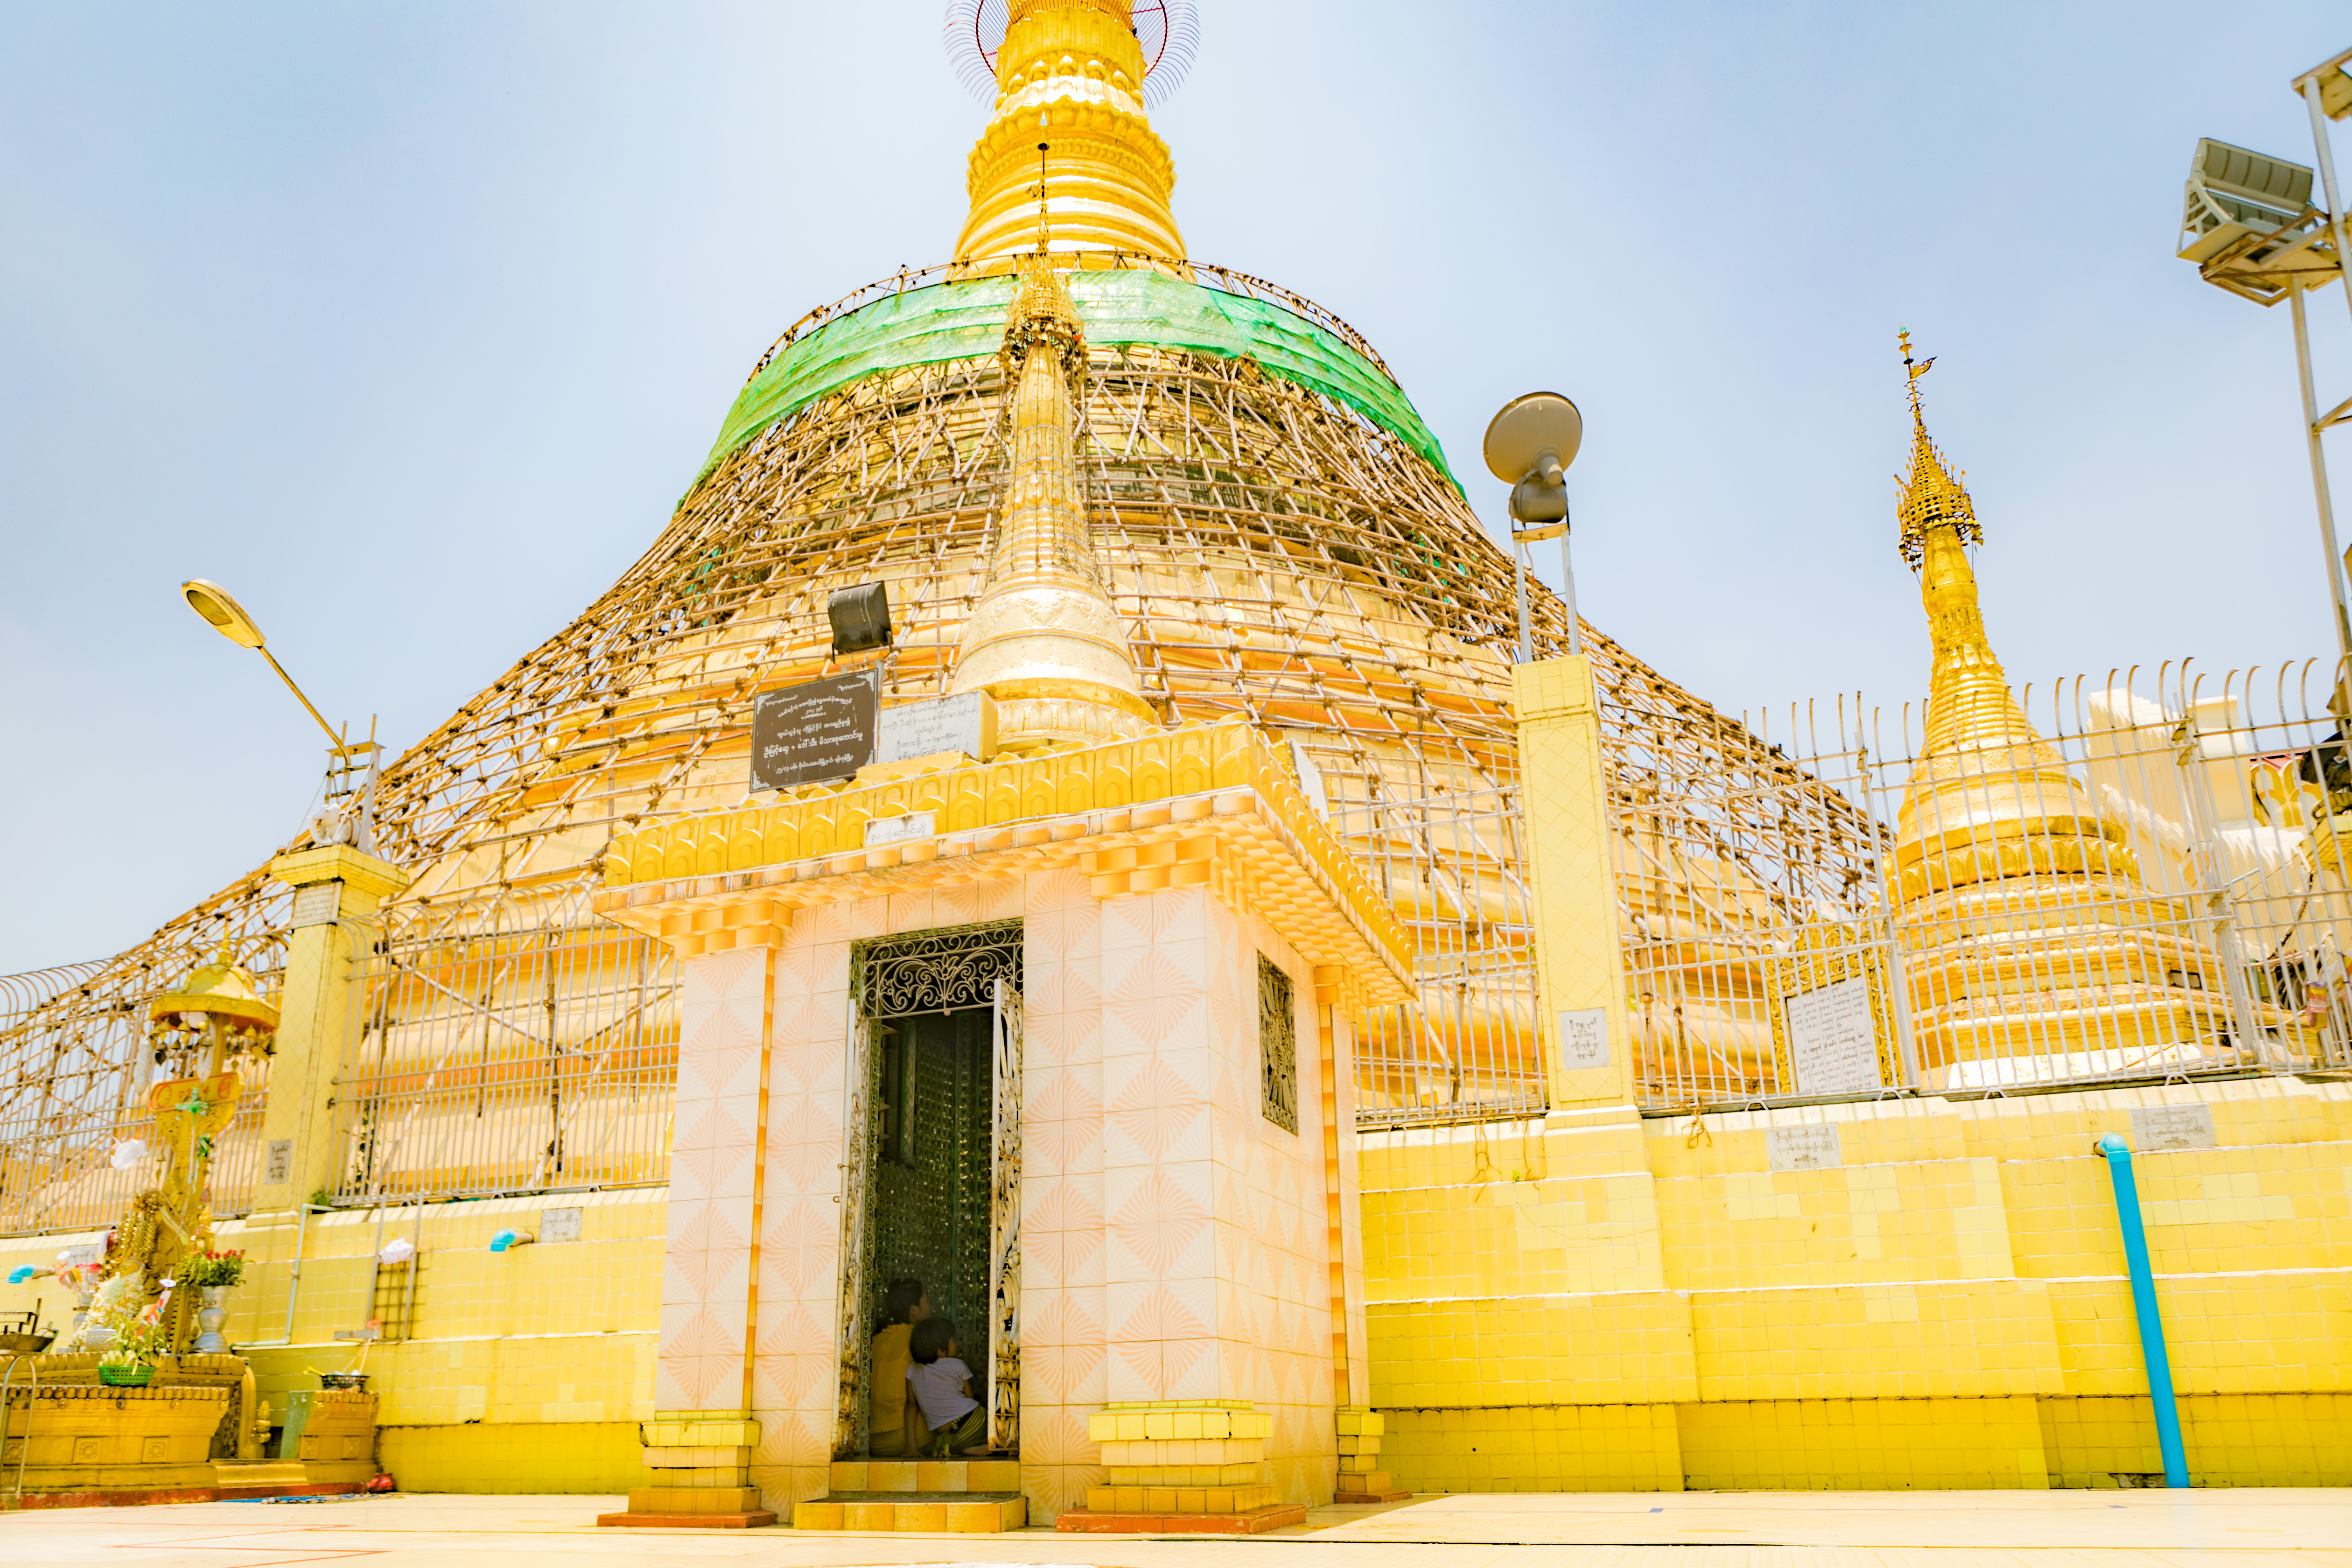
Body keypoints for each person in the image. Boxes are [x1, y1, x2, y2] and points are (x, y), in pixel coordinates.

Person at [905, 1315, 987, 1456]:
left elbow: (911, 1405)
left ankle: (963, 1448)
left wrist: (911, 1447)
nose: (956, 1343)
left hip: (946, 1434)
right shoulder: (957, 1365)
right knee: (994, 1423)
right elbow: (970, 1397)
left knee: (939, 1444)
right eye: (953, 1340)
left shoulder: (912, 1369)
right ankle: (972, 1447)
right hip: (973, 1421)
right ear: (940, 1349)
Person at [868, 1278, 928, 1457]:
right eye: (927, 1301)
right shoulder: (919, 1340)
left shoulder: (876, 1341)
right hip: (907, 1438)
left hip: (873, 1441)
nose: (931, 1307)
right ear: (914, 1311)